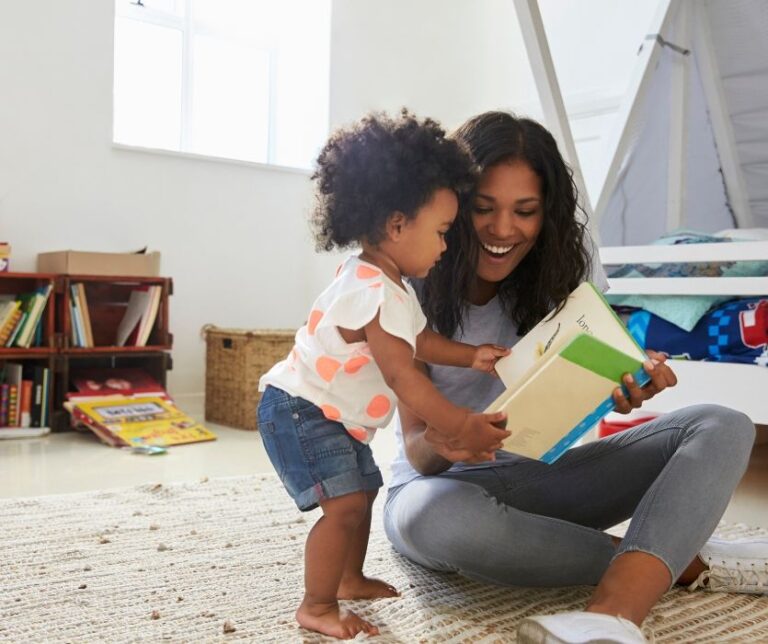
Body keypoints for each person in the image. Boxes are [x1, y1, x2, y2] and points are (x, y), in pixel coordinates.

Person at [383, 111, 762, 644]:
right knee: (433, 519)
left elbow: (582, 390)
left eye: (526, 211)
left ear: (548, 215)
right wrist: (454, 437)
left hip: (548, 476)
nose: (502, 229)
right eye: (483, 209)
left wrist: (623, 390)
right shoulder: (410, 281)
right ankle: (675, 560)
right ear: (454, 205)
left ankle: (612, 616)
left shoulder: (566, 266)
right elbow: (418, 450)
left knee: (723, 425)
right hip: (441, 487)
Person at [257, 110, 512, 640]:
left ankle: (348, 577)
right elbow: (404, 377)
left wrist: (471, 356)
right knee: (344, 506)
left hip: (328, 413)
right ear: (397, 225)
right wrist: (459, 424)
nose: (446, 247)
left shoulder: (388, 284)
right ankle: (316, 604)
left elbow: (420, 343)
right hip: (300, 409)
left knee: (366, 489)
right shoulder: (373, 291)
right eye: (442, 232)